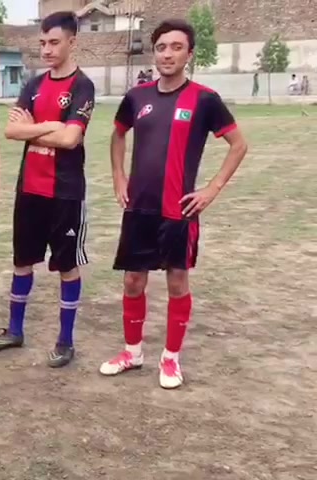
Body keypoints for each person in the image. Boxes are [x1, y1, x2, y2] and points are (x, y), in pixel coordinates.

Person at [101, 19, 248, 389]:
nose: (167, 54)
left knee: (177, 281)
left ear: (189, 54)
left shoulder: (204, 99)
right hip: (139, 207)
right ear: (154, 52)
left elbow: (238, 145)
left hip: (178, 209)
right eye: (162, 47)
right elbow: (117, 134)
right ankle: (132, 353)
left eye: (176, 47)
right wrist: (119, 176)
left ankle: (170, 359)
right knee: (133, 280)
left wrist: (211, 189)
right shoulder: (137, 97)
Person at [0, 11, 95, 368]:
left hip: (65, 193)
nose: (46, 49)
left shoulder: (82, 86)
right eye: (42, 42)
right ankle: (15, 331)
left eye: (54, 42)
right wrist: (51, 126)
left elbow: (71, 138)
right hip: (29, 189)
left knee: (66, 266)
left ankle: (65, 341)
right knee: (22, 262)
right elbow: (12, 131)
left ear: (72, 42)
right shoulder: (33, 85)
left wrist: (35, 128)